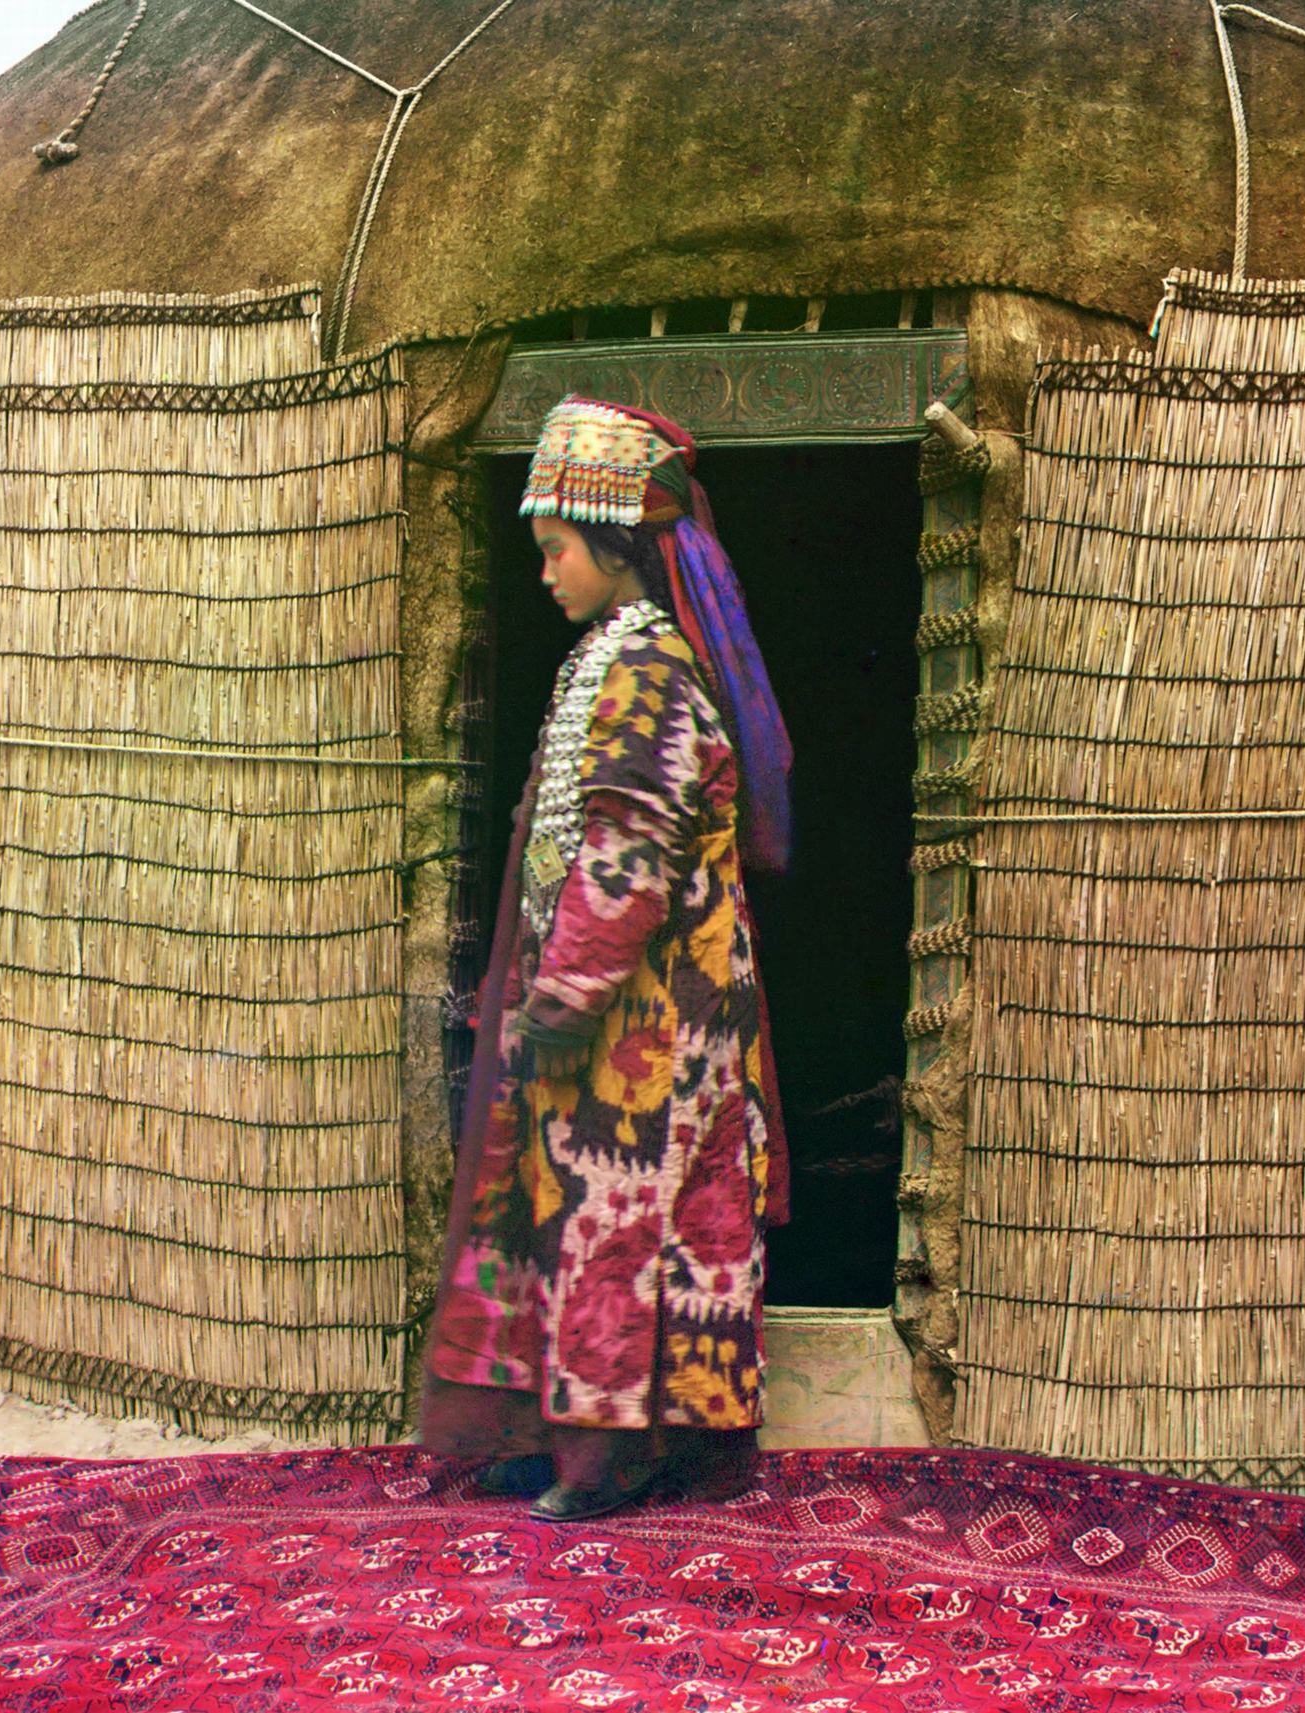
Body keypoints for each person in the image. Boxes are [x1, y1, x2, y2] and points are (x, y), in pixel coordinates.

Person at [418, 395, 794, 1520]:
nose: (544, 572)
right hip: (603, 1010)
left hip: (652, 1021)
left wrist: (564, 994)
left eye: (556, 550)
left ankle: (610, 1460)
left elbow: (627, 855)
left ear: (617, 543)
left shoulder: (651, 673)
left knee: (621, 1225)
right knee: (562, 1212)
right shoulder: (604, 658)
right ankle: (552, 1432)